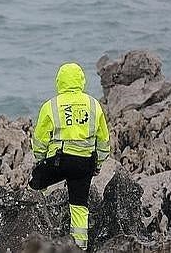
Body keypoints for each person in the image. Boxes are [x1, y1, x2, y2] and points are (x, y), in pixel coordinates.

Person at [28, 62, 110, 251]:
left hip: (58, 161)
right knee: (79, 205)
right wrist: (98, 163)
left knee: (36, 186)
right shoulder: (93, 104)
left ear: (59, 81)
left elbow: (40, 139)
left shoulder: (51, 105)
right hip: (84, 164)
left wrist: (41, 161)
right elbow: (104, 140)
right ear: (82, 80)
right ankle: (79, 246)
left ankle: (40, 229)